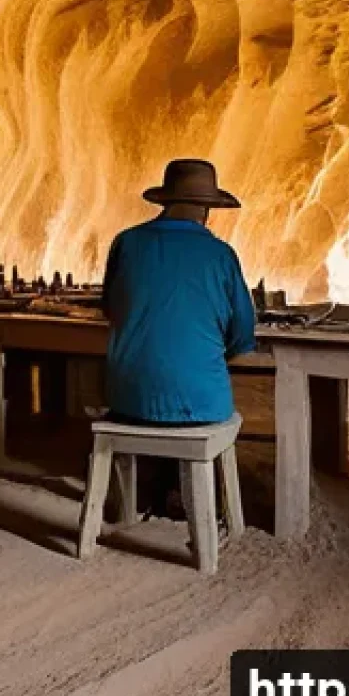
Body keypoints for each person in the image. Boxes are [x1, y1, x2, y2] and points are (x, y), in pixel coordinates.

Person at [101, 158, 257, 516]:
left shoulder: (125, 243)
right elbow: (243, 334)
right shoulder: (221, 255)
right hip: (201, 405)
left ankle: (148, 491)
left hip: (127, 400)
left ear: (165, 201)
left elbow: (110, 308)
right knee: (190, 391)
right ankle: (184, 496)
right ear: (207, 210)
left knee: (146, 389)